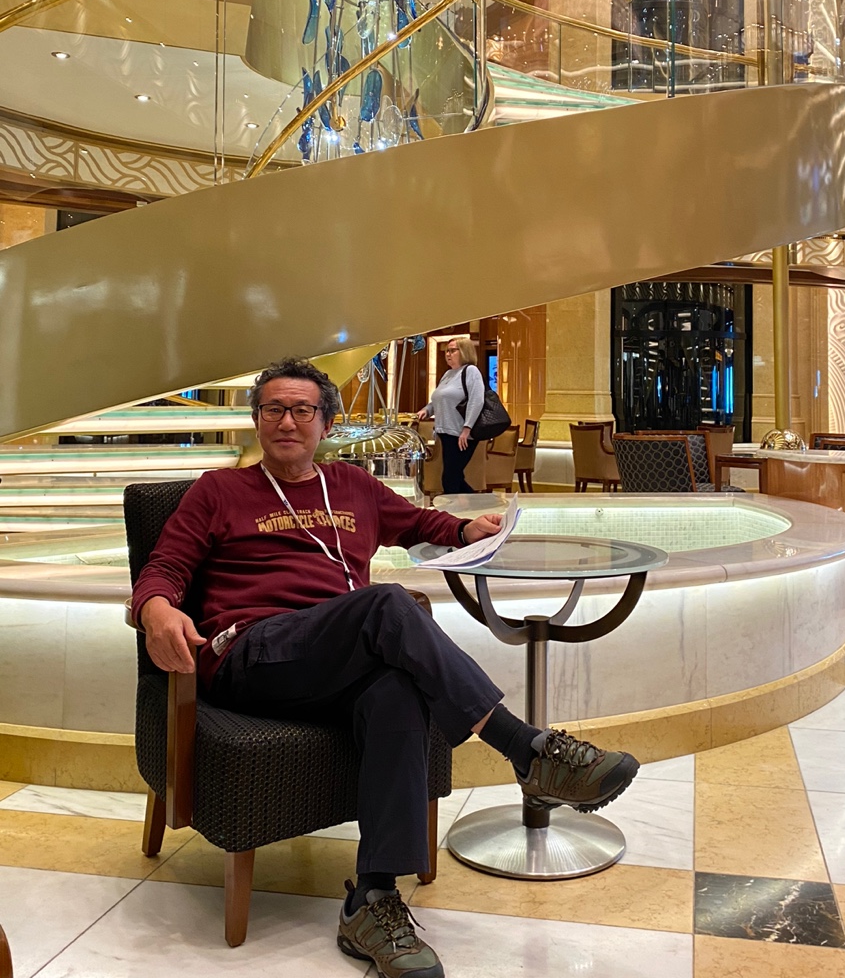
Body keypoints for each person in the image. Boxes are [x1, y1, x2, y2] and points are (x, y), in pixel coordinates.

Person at [132, 357, 639, 978]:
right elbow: (164, 568)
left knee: (397, 689)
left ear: (326, 423)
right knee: (387, 604)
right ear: (257, 421)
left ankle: (372, 900)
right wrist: (156, 608)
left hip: (334, 662)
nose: (287, 422)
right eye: (273, 409)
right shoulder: (218, 491)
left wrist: (466, 529)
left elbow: (421, 524)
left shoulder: (352, 486)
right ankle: (524, 749)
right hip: (253, 654)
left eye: (302, 410)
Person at [415, 336, 486, 494]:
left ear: (465, 351)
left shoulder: (471, 371)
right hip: (445, 433)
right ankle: (479, 504)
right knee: (454, 477)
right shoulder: (448, 374)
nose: (448, 354)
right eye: (446, 351)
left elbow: (477, 400)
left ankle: (454, 509)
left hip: (461, 435)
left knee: (450, 479)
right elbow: (438, 400)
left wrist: (467, 428)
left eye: (453, 350)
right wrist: (427, 410)